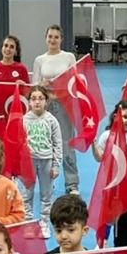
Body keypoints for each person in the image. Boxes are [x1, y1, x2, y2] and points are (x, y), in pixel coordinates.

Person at [32, 25, 80, 195]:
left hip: (65, 105)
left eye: (56, 37)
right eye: (50, 36)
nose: (53, 40)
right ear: (46, 38)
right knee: (45, 144)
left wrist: (60, 93)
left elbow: (75, 82)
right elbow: (34, 86)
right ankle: (47, 181)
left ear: (61, 39)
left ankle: (72, 184)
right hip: (46, 107)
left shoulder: (69, 57)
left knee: (66, 144)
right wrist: (42, 85)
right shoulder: (40, 60)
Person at [20, 86, 62, 237]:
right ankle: (28, 223)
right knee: (26, 194)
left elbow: (58, 144)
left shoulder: (51, 120)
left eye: (40, 99)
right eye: (33, 99)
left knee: (46, 195)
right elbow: (18, 143)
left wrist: (56, 165)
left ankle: (44, 224)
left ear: (46, 101)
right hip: (28, 162)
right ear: (29, 101)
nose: (37, 102)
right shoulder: (24, 120)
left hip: (46, 161)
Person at [0, 35, 30, 116]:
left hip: (15, 112)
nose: (8, 49)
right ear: (2, 48)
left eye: (11, 47)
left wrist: (23, 86)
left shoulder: (22, 68)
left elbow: (28, 94)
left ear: (15, 51)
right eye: (6, 45)